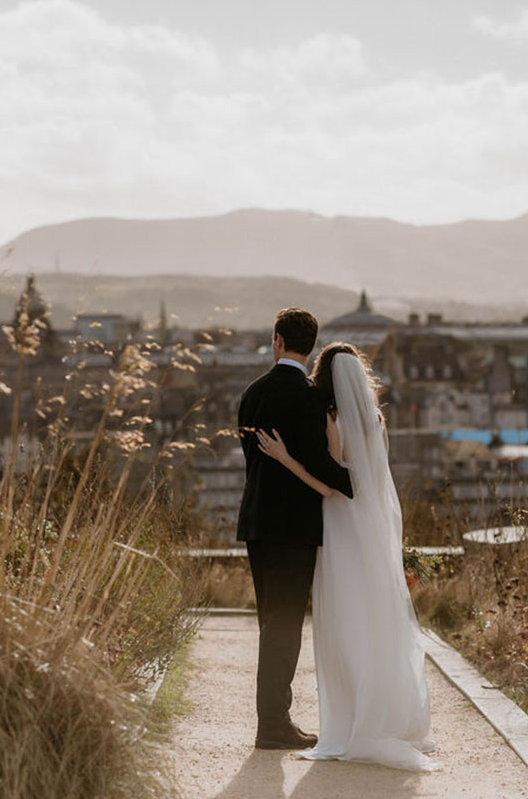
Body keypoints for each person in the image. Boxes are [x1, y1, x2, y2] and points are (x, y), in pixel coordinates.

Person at [255, 342, 437, 772]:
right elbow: (369, 479)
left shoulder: (331, 417)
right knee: (370, 616)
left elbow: (332, 483)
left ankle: (351, 720)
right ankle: (383, 715)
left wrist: (285, 458)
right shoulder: (376, 420)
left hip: (339, 525)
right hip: (367, 529)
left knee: (343, 619)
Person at [237, 309, 354, 750]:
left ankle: (273, 718)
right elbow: (323, 465)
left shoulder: (252, 393)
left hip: (256, 522)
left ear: (277, 341)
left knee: (273, 621)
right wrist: (354, 481)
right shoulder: (310, 399)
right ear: (310, 345)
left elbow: (252, 457)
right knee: (284, 625)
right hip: (295, 528)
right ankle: (272, 723)